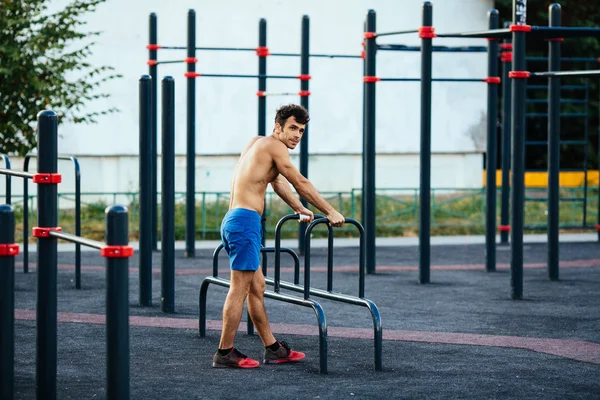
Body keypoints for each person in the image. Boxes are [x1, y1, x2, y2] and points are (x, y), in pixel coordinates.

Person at [213, 104, 345, 369]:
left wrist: (298, 208)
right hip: (245, 222)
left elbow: (276, 182)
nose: (297, 135)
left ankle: (273, 349)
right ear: (278, 127)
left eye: (301, 130)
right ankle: (224, 352)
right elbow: (299, 181)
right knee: (239, 289)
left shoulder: (256, 144)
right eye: (293, 128)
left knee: (257, 288)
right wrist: (330, 211)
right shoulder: (276, 147)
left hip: (235, 221)